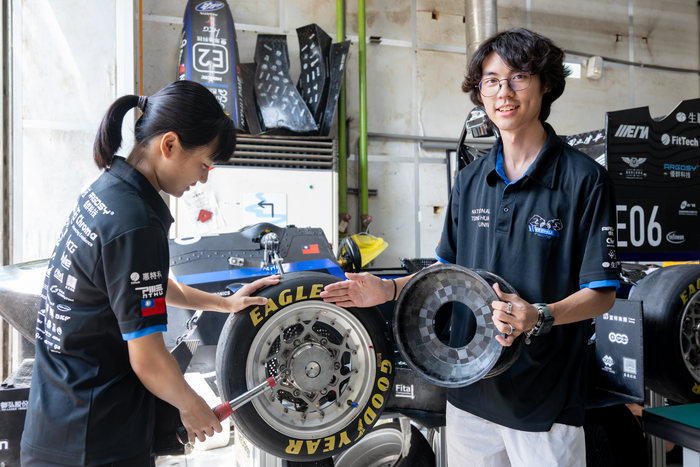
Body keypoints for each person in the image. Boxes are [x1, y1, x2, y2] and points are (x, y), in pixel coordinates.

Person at [320, 28, 620, 466]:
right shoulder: (470, 180)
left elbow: (602, 294)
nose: (504, 92)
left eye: (519, 77)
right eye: (491, 80)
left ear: (547, 84)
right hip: (468, 396)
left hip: (544, 405)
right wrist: (389, 289)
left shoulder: (584, 180)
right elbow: (444, 278)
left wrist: (540, 315)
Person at [20, 80, 280, 467]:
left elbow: (146, 287)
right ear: (170, 145)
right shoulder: (135, 223)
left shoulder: (105, 191)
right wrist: (193, 407)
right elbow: (148, 359)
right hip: (94, 442)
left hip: (57, 421)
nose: (204, 179)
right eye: (205, 164)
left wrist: (223, 304)